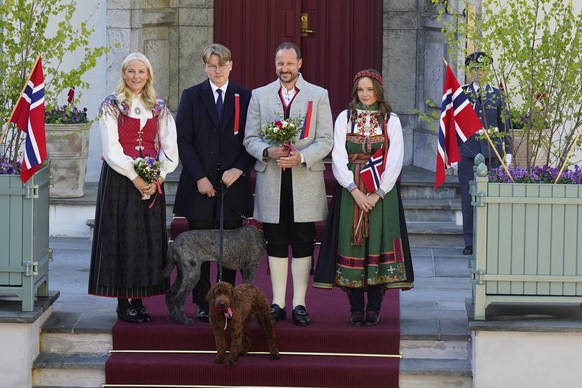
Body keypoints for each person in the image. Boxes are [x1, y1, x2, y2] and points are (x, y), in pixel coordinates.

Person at [313, 69, 413, 326]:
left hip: (382, 193)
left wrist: (379, 192)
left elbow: (395, 159)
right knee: (352, 243)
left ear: (378, 91)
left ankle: (375, 307)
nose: (365, 94)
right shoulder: (345, 118)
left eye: (369, 89)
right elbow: (338, 156)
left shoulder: (391, 120)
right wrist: (354, 190)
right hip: (351, 192)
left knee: (378, 243)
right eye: (360, 90)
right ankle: (356, 306)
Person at [243, 42, 333, 326]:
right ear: (275, 64)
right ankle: (278, 302)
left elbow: (326, 139)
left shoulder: (318, 95)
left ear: (300, 63)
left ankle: (299, 304)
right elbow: (250, 138)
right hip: (272, 179)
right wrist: (267, 151)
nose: (285, 68)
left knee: (304, 242)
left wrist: (301, 156)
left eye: (290, 63)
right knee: (276, 242)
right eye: (280, 63)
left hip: (305, 179)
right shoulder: (259, 96)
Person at [88, 52, 179, 324]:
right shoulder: (112, 105)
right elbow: (111, 148)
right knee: (122, 237)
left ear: (148, 74)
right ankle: (123, 300)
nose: (136, 76)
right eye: (131, 71)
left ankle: (139, 298)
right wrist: (135, 176)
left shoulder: (158, 106)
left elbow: (169, 145)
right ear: (124, 75)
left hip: (151, 178)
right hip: (120, 180)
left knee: (146, 239)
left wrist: (159, 175)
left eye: (141, 72)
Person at [173, 43, 254, 322]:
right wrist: (199, 178)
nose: (217, 70)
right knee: (200, 249)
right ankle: (203, 301)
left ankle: (229, 300)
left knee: (228, 248)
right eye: (211, 65)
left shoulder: (245, 97)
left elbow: (251, 141)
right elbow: (183, 140)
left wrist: (240, 169)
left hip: (233, 186)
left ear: (231, 65)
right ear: (204, 66)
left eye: (222, 64)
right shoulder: (192, 96)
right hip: (200, 187)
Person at [457, 51, 512, 256]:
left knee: (491, 195)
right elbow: (455, 125)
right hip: (468, 150)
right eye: (475, 69)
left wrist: (508, 152)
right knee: (468, 197)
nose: (479, 73)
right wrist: (452, 154)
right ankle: (470, 240)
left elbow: (503, 123)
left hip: (492, 152)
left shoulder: (497, 94)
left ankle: (490, 238)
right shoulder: (461, 94)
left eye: (482, 69)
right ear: (469, 71)